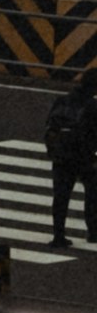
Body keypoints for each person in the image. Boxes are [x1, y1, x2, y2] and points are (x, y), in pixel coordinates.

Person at [49, 68, 97, 252]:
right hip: (84, 156)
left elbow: (50, 125)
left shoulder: (61, 100)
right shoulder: (92, 106)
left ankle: (58, 235)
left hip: (61, 155)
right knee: (92, 193)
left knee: (61, 196)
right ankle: (93, 232)